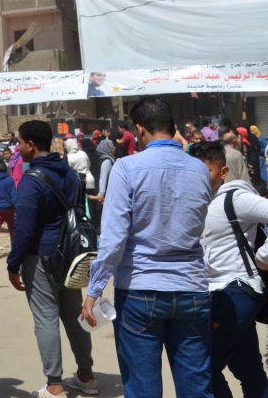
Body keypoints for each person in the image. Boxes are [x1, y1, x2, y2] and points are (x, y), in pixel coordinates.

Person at [82, 97, 212, 398]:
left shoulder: (127, 167)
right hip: (191, 288)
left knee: (142, 388)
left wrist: (94, 289)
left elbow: (114, 239)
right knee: (196, 386)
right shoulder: (199, 169)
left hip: (140, 290)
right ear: (173, 126)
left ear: (139, 129)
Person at [8, 121, 97, 398]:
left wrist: (13, 264)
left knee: (46, 318)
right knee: (73, 315)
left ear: (31, 145)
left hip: (41, 256)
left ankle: (55, 386)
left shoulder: (31, 180)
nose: (18, 148)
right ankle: (86, 376)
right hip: (71, 254)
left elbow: (24, 229)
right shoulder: (71, 173)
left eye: (19, 142)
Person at [191, 141, 268, 397]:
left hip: (236, 291)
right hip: (221, 294)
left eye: (206, 171)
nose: (198, 178)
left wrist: (265, 256)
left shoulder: (236, 198)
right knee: (249, 370)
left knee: (202, 366)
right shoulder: (201, 201)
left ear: (224, 172)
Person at [90, 139, 116, 231]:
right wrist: (101, 193)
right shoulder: (107, 161)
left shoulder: (107, 159)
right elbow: (103, 177)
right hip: (107, 193)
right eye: (112, 146)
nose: (114, 148)